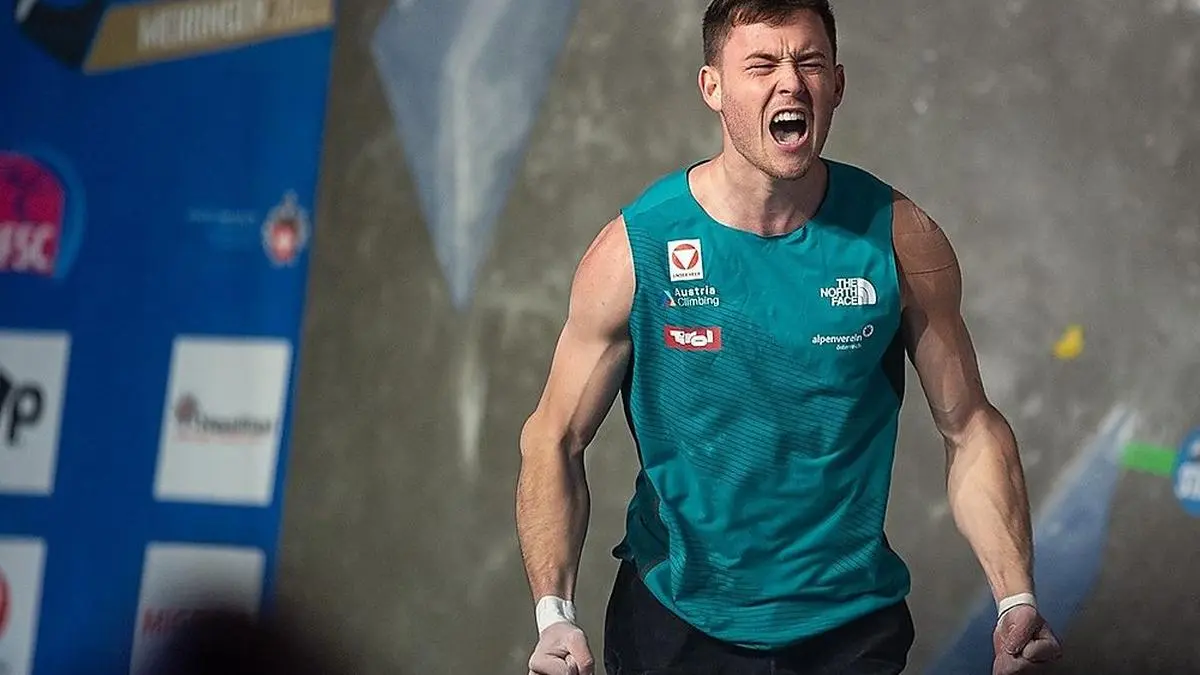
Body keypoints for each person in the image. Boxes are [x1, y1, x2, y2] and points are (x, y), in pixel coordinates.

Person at [515, 1, 1064, 673]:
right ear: (712, 86)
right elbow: (554, 438)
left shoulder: (900, 238)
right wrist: (554, 615)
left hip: (851, 633)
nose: (791, 82)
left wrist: (1015, 597)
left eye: (809, 63)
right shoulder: (635, 252)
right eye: (762, 65)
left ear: (837, 83)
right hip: (675, 626)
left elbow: (971, 426)